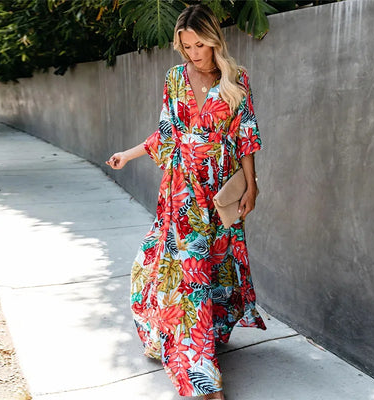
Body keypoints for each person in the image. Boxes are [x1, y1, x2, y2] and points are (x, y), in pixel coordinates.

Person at [106, 4, 267, 399]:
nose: (194, 53)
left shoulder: (236, 79)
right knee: (189, 276)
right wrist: (128, 154)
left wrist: (252, 186)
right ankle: (201, 377)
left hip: (220, 190)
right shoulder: (175, 78)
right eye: (187, 46)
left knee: (218, 263)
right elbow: (166, 133)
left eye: (200, 45)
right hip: (181, 191)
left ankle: (206, 335)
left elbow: (245, 138)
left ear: (214, 40)